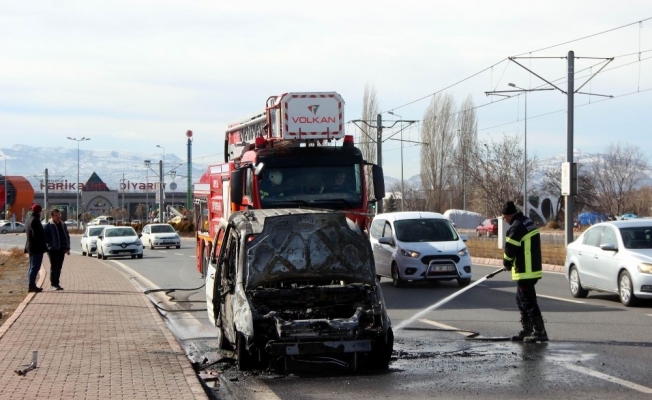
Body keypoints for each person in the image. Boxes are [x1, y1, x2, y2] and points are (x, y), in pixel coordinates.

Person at [501, 200, 548, 342]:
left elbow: (510, 250)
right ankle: (527, 329)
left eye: (504, 217)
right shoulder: (527, 222)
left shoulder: (516, 227)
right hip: (532, 268)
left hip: (525, 270)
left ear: (510, 215)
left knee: (527, 301)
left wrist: (506, 263)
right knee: (521, 299)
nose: (504, 220)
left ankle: (539, 331)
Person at [44, 208, 71, 291]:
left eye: (59, 215)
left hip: (61, 249)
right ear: (52, 216)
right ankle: (53, 284)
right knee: (54, 267)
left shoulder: (63, 225)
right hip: (52, 250)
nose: (58, 217)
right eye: (56, 215)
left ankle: (57, 284)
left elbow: (66, 236)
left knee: (59, 267)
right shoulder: (48, 226)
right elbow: (45, 238)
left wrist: (67, 247)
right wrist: (50, 244)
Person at [24, 204, 47, 293]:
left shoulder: (29, 219)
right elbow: (37, 235)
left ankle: (32, 285)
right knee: (35, 267)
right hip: (36, 248)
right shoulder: (35, 220)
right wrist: (43, 243)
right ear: (39, 211)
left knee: (32, 267)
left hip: (31, 247)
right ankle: (32, 286)